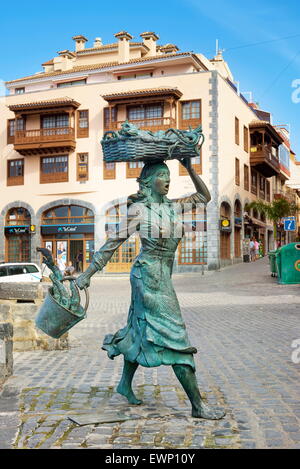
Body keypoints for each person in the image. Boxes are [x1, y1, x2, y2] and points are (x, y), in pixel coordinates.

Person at [76, 158, 225, 420]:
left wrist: (189, 167)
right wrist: (87, 274)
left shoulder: (173, 207)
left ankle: (124, 384)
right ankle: (197, 406)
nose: (167, 180)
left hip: (163, 277)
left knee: (139, 329)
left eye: (169, 176)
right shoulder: (139, 211)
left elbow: (204, 196)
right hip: (146, 277)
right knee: (176, 336)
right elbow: (113, 243)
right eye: (161, 175)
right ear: (148, 181)